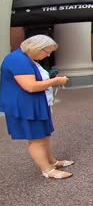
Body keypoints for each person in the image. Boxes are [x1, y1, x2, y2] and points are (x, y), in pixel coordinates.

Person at [0, 35, 73, 179]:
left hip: (33, 103)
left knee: (43, 135)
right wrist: (56, 81)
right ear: (36, 48)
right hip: (25, 106)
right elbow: (31, 86)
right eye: (47, 51)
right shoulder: (18, 60)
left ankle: (52, 161)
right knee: (36, 139)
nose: (48, 55)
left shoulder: (25, 58)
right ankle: (47, 170)